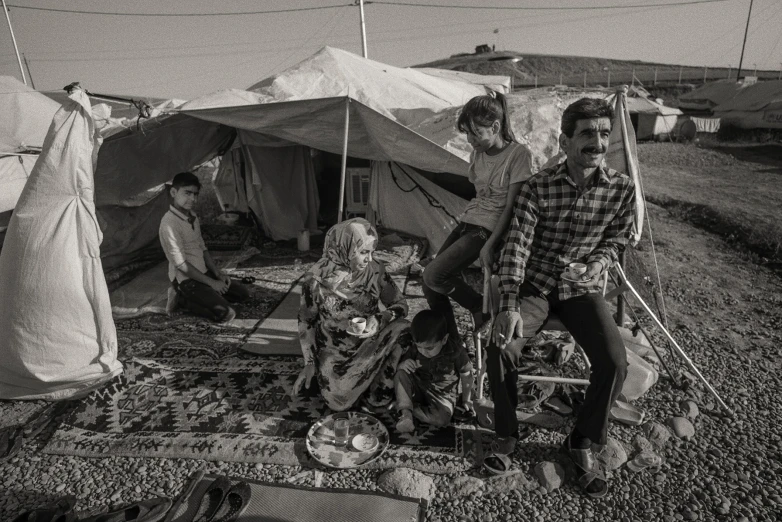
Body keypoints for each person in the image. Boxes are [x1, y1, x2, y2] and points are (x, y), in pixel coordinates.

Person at [486, 98, 635, 498]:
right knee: (500, 345)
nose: (598, 142)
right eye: (587, 133)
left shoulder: (621, 189)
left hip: (580, 289)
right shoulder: (539, 186)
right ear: (564, 139)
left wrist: (599, 262)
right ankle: (506, 434)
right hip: (535, 286)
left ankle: (582, 441)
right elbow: (517, 244)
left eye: (604, 133)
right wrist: (509, 304)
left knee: (614, 362)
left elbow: (617, 238)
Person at [422, 91, 534, 344]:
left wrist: (490, 244)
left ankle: (480, 311)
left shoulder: (518, 155)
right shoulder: (478, 154)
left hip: (486, 229)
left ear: (495, 126)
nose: (471, 140)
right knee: (429, 283)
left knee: (434, 275)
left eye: (476, 133)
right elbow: (479, 195)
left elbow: (511, 207)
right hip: (469, 222)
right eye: (468, 134)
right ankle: (448, 340)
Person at [291, 218, 411, 411]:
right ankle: (359, 382)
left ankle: (377, 386)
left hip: (369, 343)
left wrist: (380, 319)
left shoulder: (375, 271)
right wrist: (310, 362)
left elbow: (400, 305)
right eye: (364, 252)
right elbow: (306, 320)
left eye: (372, 252)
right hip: (334, 353)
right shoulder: (315, 281)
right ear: (343, 249)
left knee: (405, 329)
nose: (370, 259)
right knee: (338, 403)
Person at [158, 172, 250, 322]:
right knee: (227, 314)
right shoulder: (169, 223)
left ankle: (207, 295)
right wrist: (212, 283)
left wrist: (217, 273)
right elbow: (181, 265)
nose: (193, 199)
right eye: (187, 193)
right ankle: (182, 299)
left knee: (242, 295)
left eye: (195, 194)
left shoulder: (192, 216)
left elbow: (203, 247)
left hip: (203, 273)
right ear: (173, 192)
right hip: (186, 281)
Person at [394, 310, 474, 433]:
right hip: (419, 385)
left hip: (442, 394)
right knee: (400, 374)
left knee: (442, 419)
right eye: (419, 347)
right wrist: (403, 364)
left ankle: (408, 407)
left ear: (444, 339)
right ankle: (406, 414)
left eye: (429, 348)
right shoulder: (416, 348)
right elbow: (402, 367)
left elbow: (467, 376)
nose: (423, 352)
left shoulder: (456, 352)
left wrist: (466, 399)